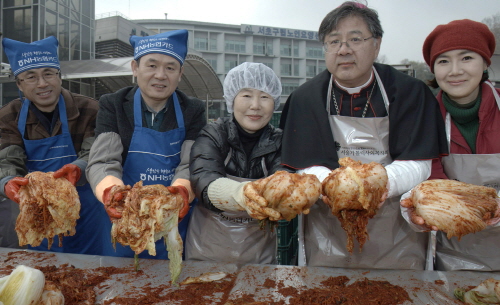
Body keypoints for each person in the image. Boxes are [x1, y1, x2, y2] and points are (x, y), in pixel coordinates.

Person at [279, 1, 448, 270]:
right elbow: (302, 164)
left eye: (354, 39)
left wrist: (378, 186)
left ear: (376, 44)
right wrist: (334, 186)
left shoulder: (410, 93)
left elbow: (420, 162)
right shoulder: (305, 98)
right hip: (327, 228)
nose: (343, 50)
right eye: (334, 41)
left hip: (395, 227)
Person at [86, 30, 206, 259]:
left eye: (170, 68)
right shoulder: (114, 104)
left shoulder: (193, 109)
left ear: (180, 74)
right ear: (135, 68)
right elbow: (103, 160)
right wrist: (113, 194)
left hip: (172, 222)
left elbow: (192, 162)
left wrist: (180, 193)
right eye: (151, 65)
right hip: (123, 220)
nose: (160, 75)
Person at [0, 36, 107, 255]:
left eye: (48, 73)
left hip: (88, 217)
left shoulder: (90, 109)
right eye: (31, 77)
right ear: (19, 84)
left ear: (59, 76)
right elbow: (7, 159)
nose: (42, 83)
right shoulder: (9, 115)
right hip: (38, 215)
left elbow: (95, 154)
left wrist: (79, 167)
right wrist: (7, 181)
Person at [421, 19, 500, 271]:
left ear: (485, 62)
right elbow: (432, 184)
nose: (455, 70)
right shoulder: (423, 118)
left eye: (466, 58)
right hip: (454, 254)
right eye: (443, 61)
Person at [186, 62, 284, 264]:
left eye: (264, 97)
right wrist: (245, 195)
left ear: (274, 102)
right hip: (206, 252)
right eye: (246, 95)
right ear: (232, 99)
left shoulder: (281, 142)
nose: (255, 105)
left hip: (258, 258)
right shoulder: (213, 134)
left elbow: (284, 182)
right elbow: (203, 178)